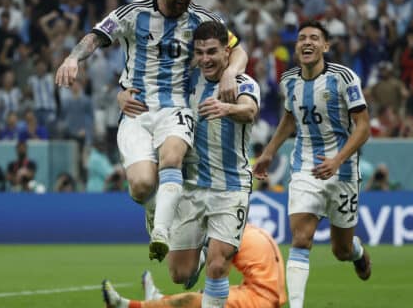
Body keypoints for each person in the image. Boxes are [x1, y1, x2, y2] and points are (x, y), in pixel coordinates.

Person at [55, 0, 247, 261]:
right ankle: (153, 212)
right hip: (136, 109)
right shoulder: (134, 13)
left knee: (172, 159)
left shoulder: (202, 19)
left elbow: (238, 51)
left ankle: (161, 233)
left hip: (177, 108)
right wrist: (72, 58)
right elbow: (95, 36)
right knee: (142, 185)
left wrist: (228, 73)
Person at [253, 20, 372, 308]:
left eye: (314, 38)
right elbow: (290, 117)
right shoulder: (289, 80)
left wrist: (337, 159)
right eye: (302, 38)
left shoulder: (344, 78)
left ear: (325, 46)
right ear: (296, 47)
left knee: (340, 250)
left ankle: (356, 252)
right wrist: (269, 151)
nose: (307, 42)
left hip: (342, 170)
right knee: (301, 238)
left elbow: (364, 126)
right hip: (305, 166)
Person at [163, 21, 259, 307]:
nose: (206, 58)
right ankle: (202, 250)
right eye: (200, 52)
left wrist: (226, 108)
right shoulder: (189, 80)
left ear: (227, 53)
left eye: (212, 52)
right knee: (180, 274)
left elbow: (250, 111)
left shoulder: (243, 83)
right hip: (191, 187)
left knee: (219, 266)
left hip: (231, 188)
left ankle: (212, 253)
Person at [102, 223, 287, 308]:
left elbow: (218, 270)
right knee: (206, 296)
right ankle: (158, 298)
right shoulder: (253, 231)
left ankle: (126, 306)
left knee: (194, 301)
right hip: (269, 295)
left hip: (260, 301)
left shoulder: (231, 236)